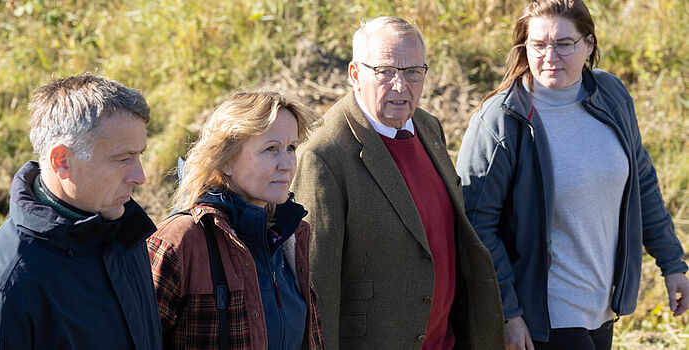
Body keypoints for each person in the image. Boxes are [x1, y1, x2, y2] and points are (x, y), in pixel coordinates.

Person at [455, 1, 689, 349]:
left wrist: (672, 263)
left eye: (564, 44)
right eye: (538, 45)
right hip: (543, 320)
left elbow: (642, 183)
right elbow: (475, 226)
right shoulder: (502, 120)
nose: (550, 56)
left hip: (601, 310)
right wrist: (508, 312)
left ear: (589, 44)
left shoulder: (611, 97)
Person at [290, 16, 504, 349]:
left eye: (412, 72)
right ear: (355, 74)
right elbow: (317, 285)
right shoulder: (324, 154)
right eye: (385, 71)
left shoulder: (428, 127)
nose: (400, 86)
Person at [0, 74, 162, 349]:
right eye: (123, 159)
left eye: (139, 155)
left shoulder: (125, 232)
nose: (140, 176)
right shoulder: (4, 289)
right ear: (61, 160)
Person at [147, 91, 324, 350]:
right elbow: (135, 338)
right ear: (226, 160)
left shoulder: (290, 237)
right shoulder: (180, 241)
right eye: (271, 149)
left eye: (291, 148)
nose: (287, 163)